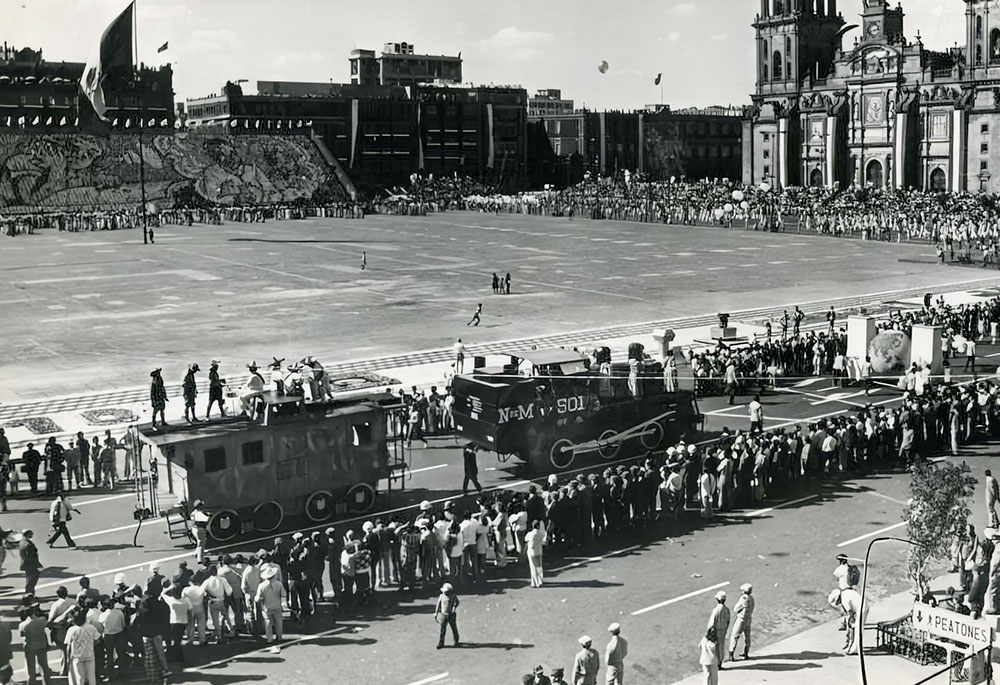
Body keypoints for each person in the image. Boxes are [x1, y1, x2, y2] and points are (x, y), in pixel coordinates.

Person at [64, 609, 101, 685]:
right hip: (89, 655)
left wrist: (67, 658)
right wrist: (92, 644)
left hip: (77, 656)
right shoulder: (91, 628)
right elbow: (98, 639)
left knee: (79, 677)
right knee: (91, 677)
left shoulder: (71, 630)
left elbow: (68, 646)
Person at [256, 562, 286, 653]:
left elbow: (257, 598)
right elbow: (284, 594)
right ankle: (279, 637)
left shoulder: (261, 586)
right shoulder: (279, 584)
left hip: (267, 607)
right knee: (278, 622)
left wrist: (261, 599)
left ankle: (269, 639)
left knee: (268, 623)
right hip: (277, 606)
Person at [19, 603, 53, 685]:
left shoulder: (23, 625)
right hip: (41, 645)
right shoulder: (42, 620)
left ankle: (32, 683)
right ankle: (47, 682)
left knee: (31, 668)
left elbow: (22, 635)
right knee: (44, 666)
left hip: (30, 646)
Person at [729, 583, 755, 660]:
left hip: (741, 619)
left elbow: (736, 609)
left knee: (734, 636)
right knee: (747, 637)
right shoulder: (752, 598)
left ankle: (731, 654)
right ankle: (746, 653)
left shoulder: (743, 598)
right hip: (749, 618)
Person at [707, 591, 731, 669]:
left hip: (716, 630)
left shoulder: (716, 610)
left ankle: (715, 663)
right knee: (721, 646)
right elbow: (728, 621)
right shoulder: (726, 610)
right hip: (723, 630)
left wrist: (708, 632)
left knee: (715, 647)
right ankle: (720, 662)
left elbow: (711, 623)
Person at [434, 582, 460, 649]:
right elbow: (438, 605)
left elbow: (457, 602)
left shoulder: (453, 596)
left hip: (451, 614)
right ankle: (441, 643)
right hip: (443, 614)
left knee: (454, 628)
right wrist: (436, 613)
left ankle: (456, 640)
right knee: (443, 629)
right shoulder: (442, 596)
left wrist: (454, 607)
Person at [19, 529, 42, 594]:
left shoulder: (23, 542)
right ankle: (29, 593)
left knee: (31, 578)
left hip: (27, 563)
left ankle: (30, 592)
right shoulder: (27, 544)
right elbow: (30, 554)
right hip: (30, 563)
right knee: (32, 578)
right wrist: (37, 563)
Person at [525, 519, 546, 588]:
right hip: (539, 551)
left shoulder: (530, 534)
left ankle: (534, 582)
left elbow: (525, 540)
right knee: (539, 566)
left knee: (533, 567)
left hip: (531, 552)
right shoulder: (542, 533)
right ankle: (540, 580)